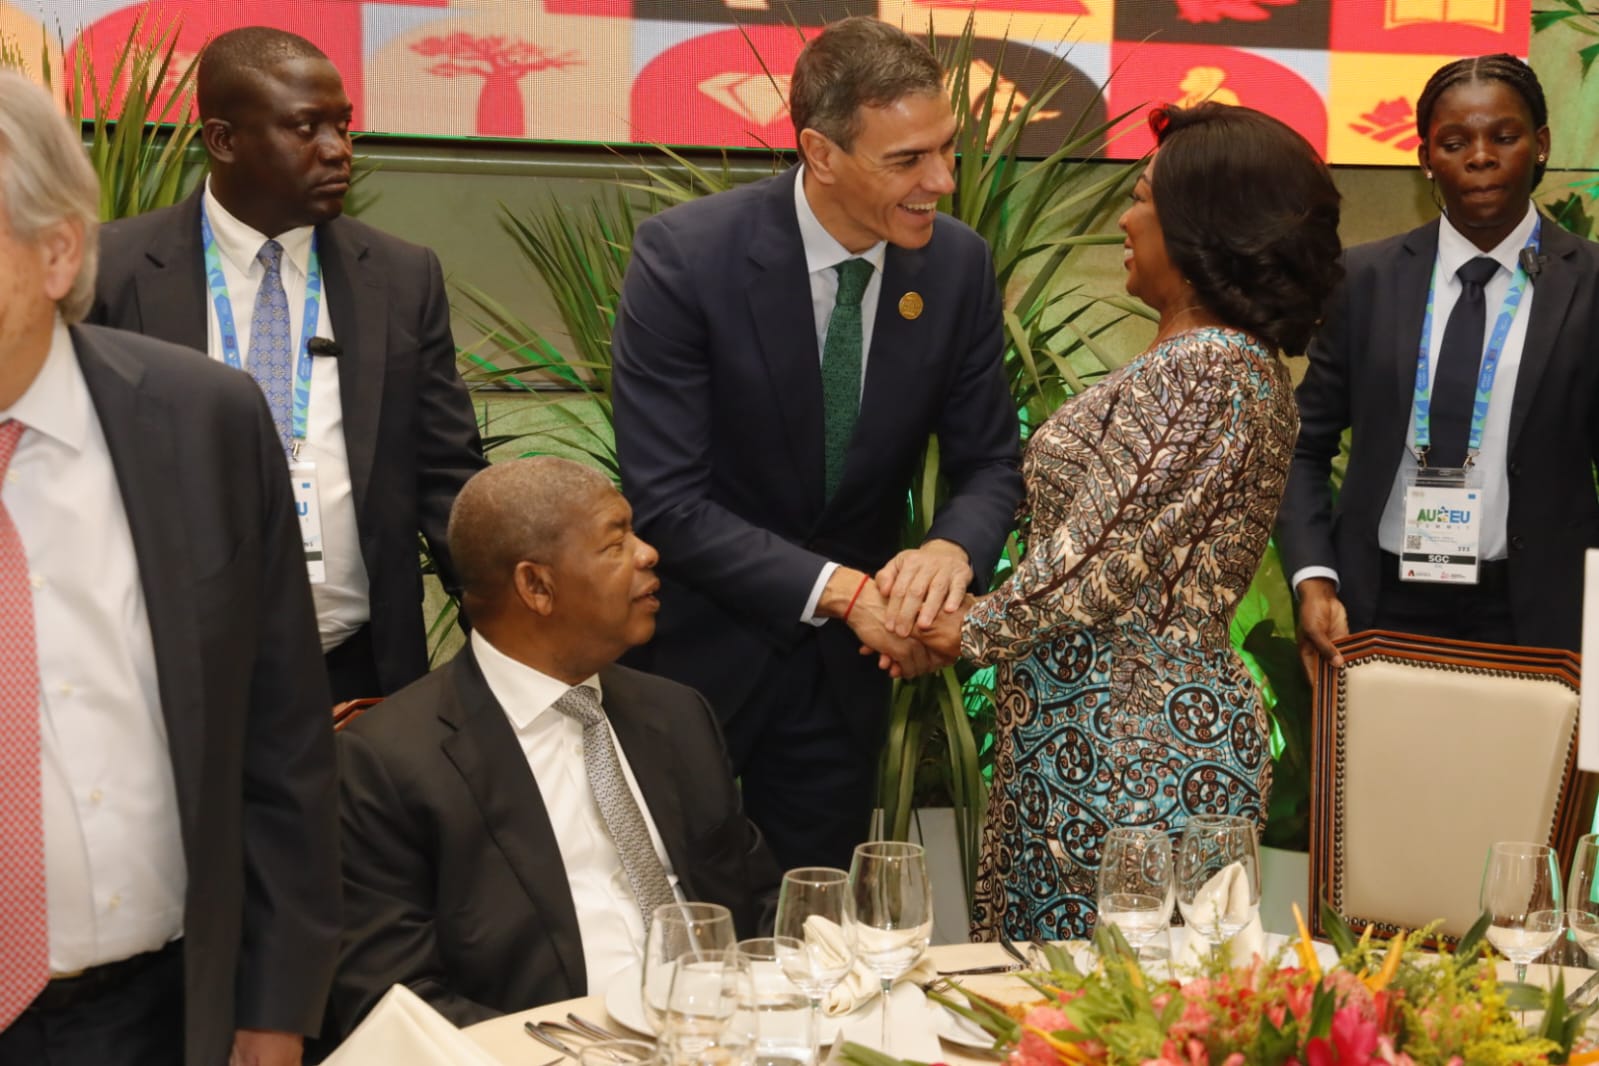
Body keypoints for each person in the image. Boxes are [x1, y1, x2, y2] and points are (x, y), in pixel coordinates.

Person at [920, 104, 1343, 939]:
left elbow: (1100, 558)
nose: (1124, 218)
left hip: (1136, 757)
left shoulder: (1211, 369)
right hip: (1094, 739)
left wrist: (958, 629)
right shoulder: (1205, 364)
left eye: (1143, 198)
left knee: (1103, 995)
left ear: (1200, 226)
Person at [610, 16, 1023, 872]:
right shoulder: (687, 257)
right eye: (906, 160)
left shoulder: (957, 268)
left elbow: (988, 461)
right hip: (698, 662)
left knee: (816, 921)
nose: (941, 181)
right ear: (820, 152)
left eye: (946, 148)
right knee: (678, 917)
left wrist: (948, 551)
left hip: (846, 679)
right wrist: (843, 592)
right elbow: (667, 499)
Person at [0, 71, 338, 1066]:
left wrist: (276, 1006)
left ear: (57, 252)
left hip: (155, 1012)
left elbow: (281, 736)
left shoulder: (204, 423)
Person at [89, 27, 486, 701]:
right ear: (223, 140)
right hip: (167, 676)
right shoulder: (111, 271)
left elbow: (446, 472)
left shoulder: (401, 278)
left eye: (343, 125)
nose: (338, 150)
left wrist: (507, 622)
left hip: (357, 675)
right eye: (306, 128)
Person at [330, 456, 779, 1034]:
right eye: (615, 543)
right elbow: (398, 1005)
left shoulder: (678, 714)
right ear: (537, 586)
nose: (648, 553)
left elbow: (759, 902)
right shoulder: (389, 762)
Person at [1282, 54, 1599, 672]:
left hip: (1537, 614)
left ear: (1540, 145)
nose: (1480, 157)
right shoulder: (1365, 278)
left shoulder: (1591, 284)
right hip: (1379, 607)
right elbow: (1303, 444)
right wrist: (1314, 579)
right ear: (1425, 157)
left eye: (1503, 137)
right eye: (1454, 143)